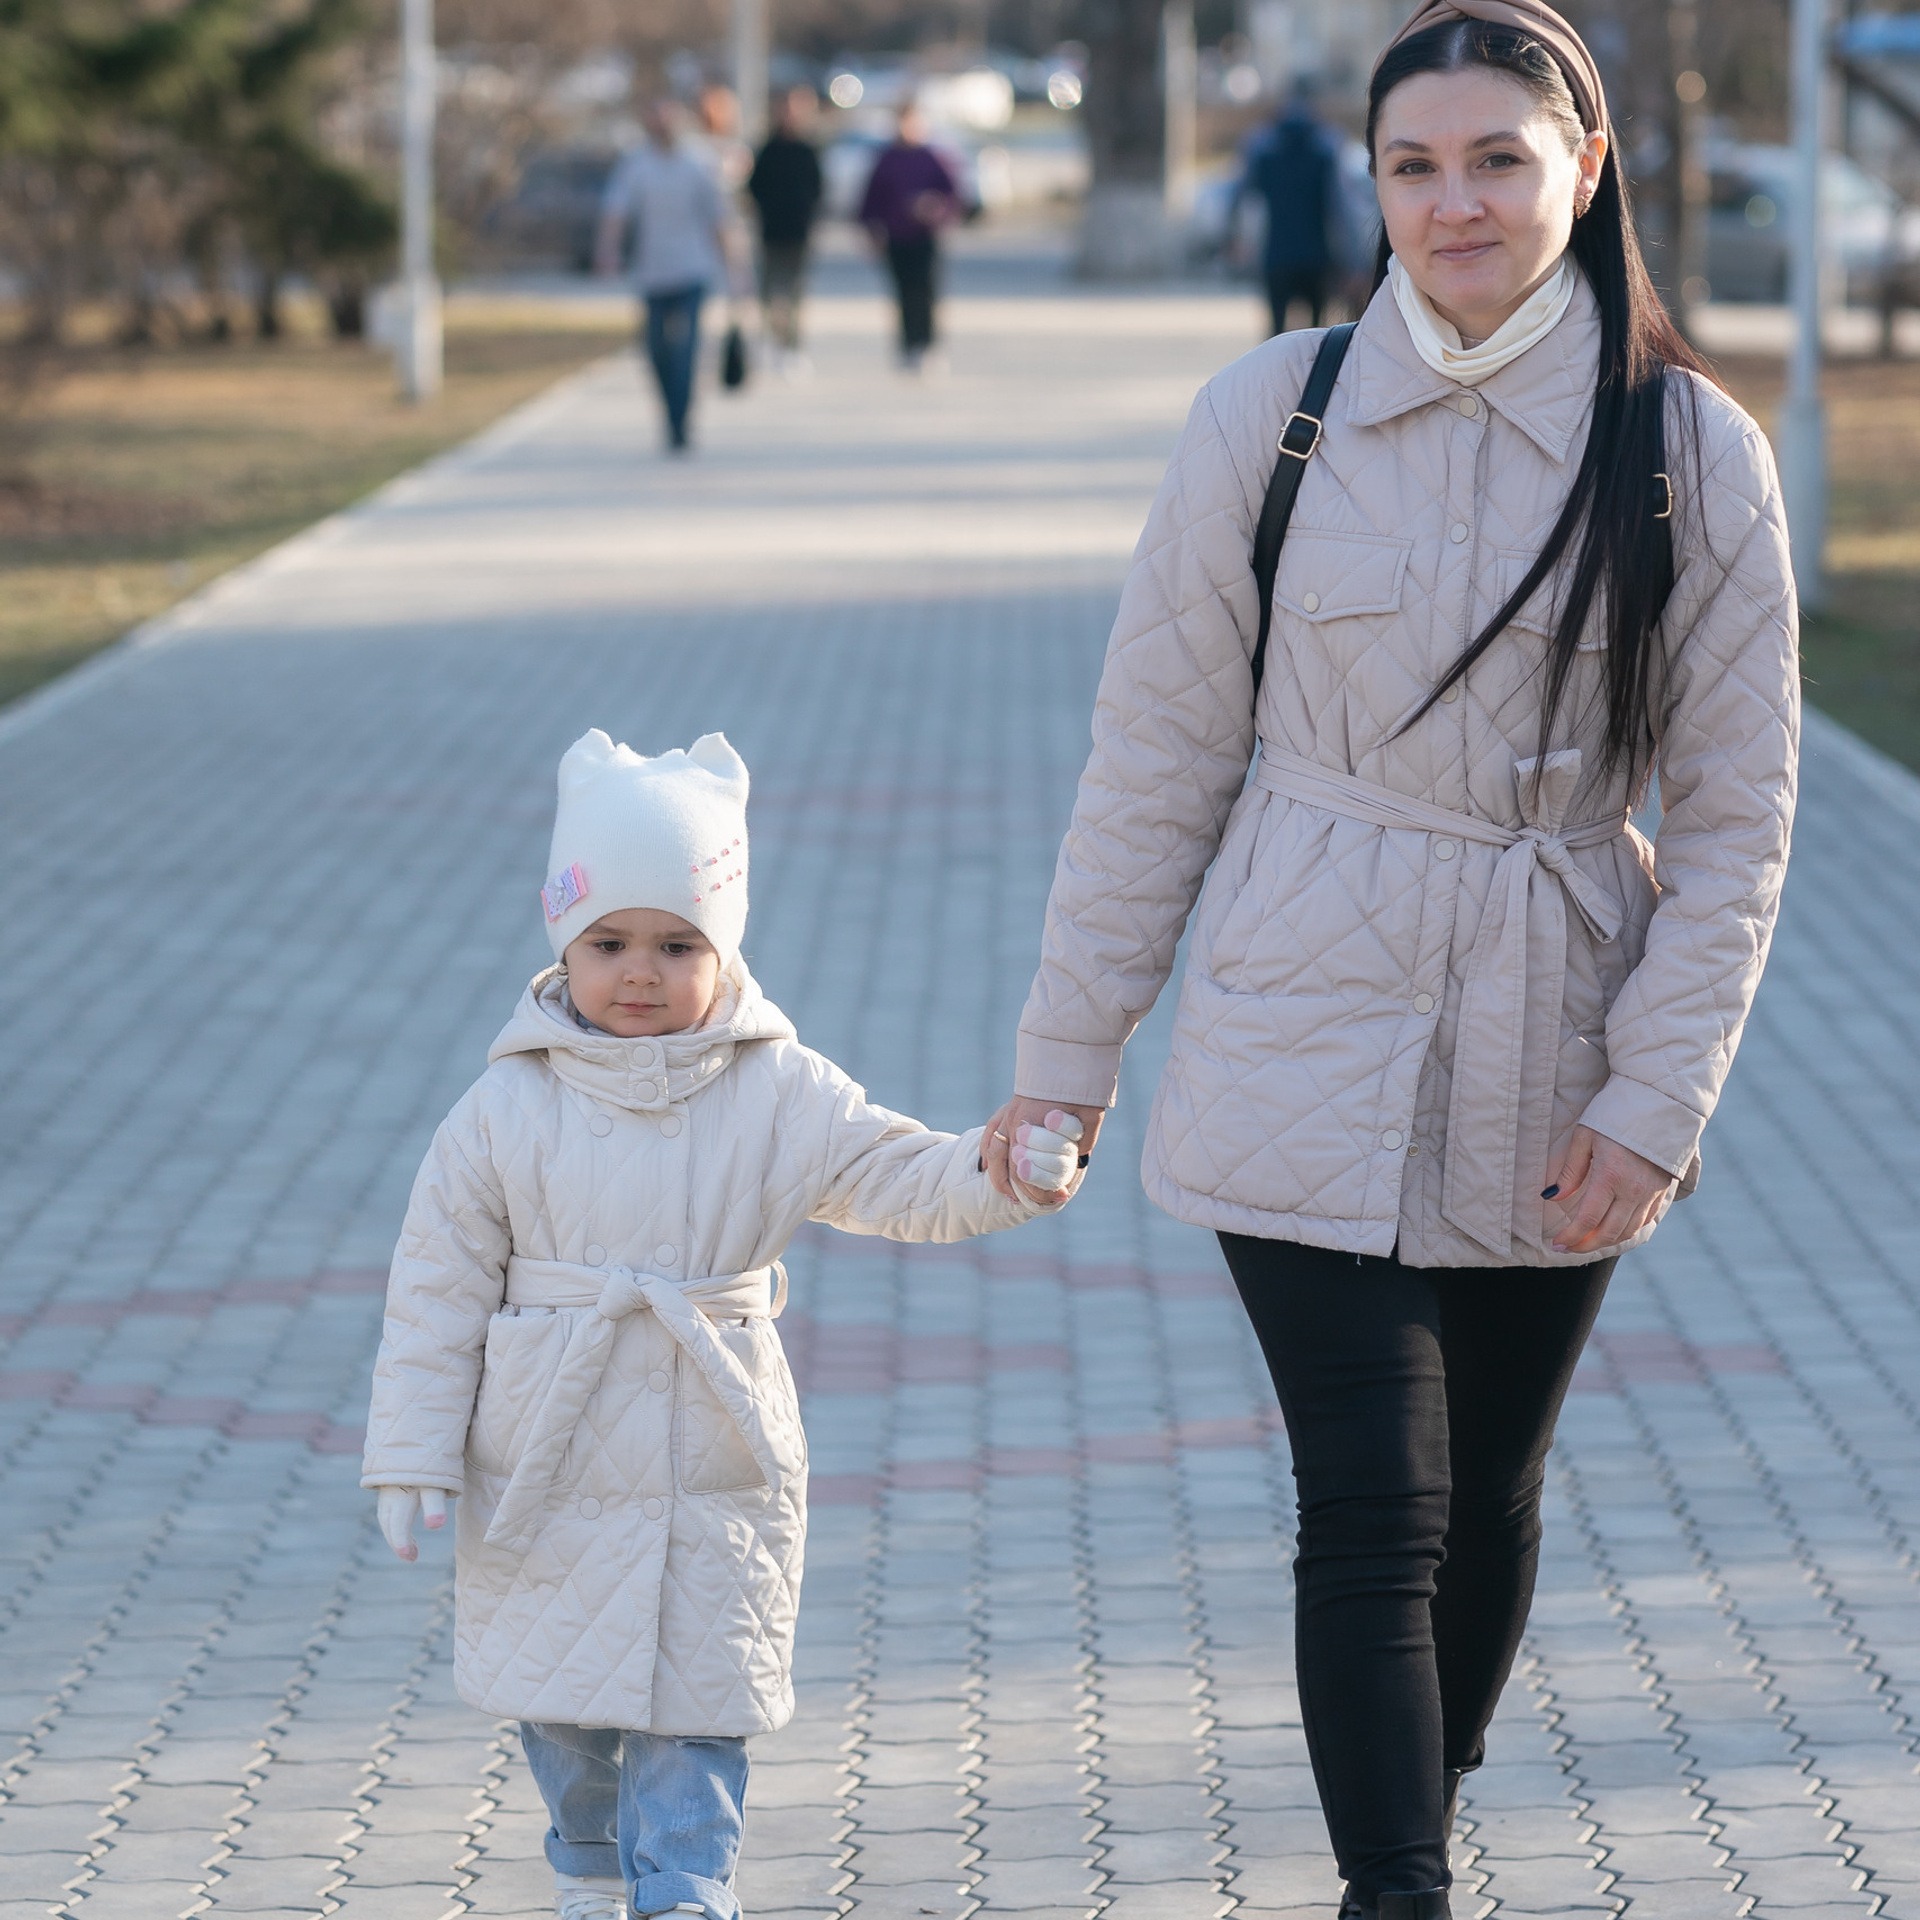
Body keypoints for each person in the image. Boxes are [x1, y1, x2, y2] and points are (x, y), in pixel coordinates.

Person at [984, 1, 1798, 1914]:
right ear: (1373, 182)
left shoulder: (1687, 451)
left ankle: (1404, 1820)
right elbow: (1159, 756)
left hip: (1559, 1032)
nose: (1456, 205)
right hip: (1297, 1011)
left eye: (1500, 160)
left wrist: (1656, 1099)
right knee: (1376, 1501)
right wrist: (1065, 1051)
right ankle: (1398, 1891)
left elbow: (1742, 819)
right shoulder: (1266, 415)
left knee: (1488, 1504)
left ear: (1585, 170)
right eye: (1415, 166)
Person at [363, 730, 1083, 1920]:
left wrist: (1004, 1170)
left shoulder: (779, 1088)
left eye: (677, 943)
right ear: (563, 943)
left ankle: (688, 1892)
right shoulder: (504, 1108)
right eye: (609, 943)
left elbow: (898, 1173)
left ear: (724, 943)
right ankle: (589, 1867)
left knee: (699, 1700)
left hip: (718, 1449)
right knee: (564, 1703)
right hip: (548, 1451)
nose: (639, 972)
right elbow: (435, 1285)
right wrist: (411, 1449)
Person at [595, 101, 731, 452]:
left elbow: (719, 218)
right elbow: (615, 212)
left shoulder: (699, 162)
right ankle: (670, 412)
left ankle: (680, 422)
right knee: (656, 350)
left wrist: (735, 266)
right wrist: (608, 251)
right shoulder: (637, 165)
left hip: (693, 269)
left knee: (685, 349)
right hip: (653, 272)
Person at [859, 104, 963, 370]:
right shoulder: (887, 159)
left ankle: (928, 345)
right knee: (903, 293)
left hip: (925, 237)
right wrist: (871, 230)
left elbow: (954, 197)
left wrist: (934, 208)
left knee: (926, 292)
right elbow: (871, 201)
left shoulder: (932, 158)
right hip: (896, 237)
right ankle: (908, 347)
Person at [1237, 79, 1346, 332]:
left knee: (1276, 333)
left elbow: (1245, 199)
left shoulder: (1264, 149)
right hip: (1317, 255)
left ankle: (1274, 373)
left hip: (1277, 256)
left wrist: (1237, 240)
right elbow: (1340, 209)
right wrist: (1351, 260)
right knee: (1317, 334)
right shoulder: (1326, 149)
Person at [748, 87, 825, 370]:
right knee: (769, 292)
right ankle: (772, 339)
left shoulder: (808, 149)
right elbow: (754, 187)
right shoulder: (768, 149)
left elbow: (818, 189)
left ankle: (791, 346)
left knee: (793, 294)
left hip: (799, 232)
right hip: (770, 231)